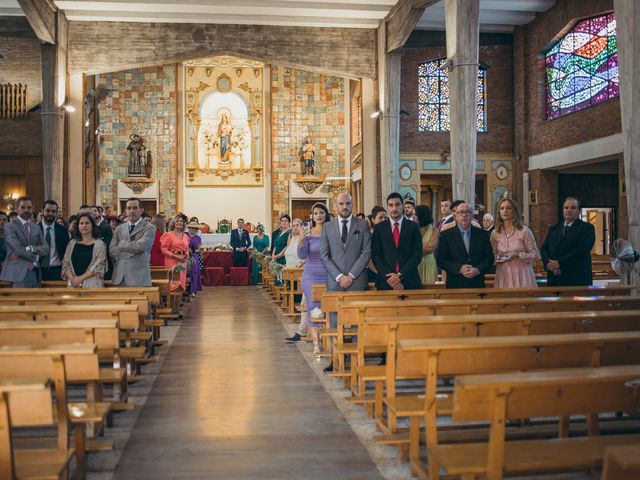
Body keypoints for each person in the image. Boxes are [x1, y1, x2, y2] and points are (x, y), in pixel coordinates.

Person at [319, 193, 371, 369]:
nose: (344, 207)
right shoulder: (327, 227)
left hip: (356, 282)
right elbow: (324, 256)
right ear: (336, 205)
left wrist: (351, 276)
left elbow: (366, 252)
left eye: (348, 203)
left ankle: (357, 360)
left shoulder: (362, 225)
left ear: (352, 204)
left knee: (357, 322)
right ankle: (336, 360)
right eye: (341, 204)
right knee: (334, 322)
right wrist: (340, 277)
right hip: (335, 283)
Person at [436, 201, 493, 289]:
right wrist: (459, 268)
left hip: (477, 283)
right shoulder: (446, 235)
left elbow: (489, 258)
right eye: (461, 212)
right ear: (455, 216)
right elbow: (441, 260)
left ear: (472, 215)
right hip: (455, 285)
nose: (464, 215)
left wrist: (478, 270)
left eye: (468, 212)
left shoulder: (482, 234)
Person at [371, 192, 423, 291]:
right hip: (385, 283)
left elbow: (417, 254)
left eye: (397, 204)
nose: (394, 208)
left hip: (409, 281)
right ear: (387, 207)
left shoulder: (413, 226)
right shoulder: (379, 228)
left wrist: (400, 275)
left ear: (403, 206)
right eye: (391, 205)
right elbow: (375, 255)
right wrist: (391, 279)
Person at [298, 203, 330, 357]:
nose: (319, 215)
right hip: (311, 274)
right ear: (312, 216)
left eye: (321, 212)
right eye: (316, 213)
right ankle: (316, 343)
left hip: (328, 274)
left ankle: (327, 339)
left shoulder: (332, 232)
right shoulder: (308, 233)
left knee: (327, 308)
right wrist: (301, 240)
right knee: (313, 308)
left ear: (326, 214)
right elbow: (302, 255)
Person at [541, 197, 596, 286]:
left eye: (573, 208)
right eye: (566, 208)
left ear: (579, 211)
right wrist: (549, 265)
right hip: (554, 278)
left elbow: (582, 251)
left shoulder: (586, 228)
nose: (569, 210)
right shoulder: (554, 229)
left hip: (576, 278)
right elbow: (544, 249)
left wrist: (559, 264)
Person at [0, 196, 50, 287]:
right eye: (23, 207)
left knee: (36, 301)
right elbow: (18, 249)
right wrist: (36, 257)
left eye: (29, 207)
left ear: (32, 209)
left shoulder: (36, 227)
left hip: (35, 273)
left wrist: (30, 248)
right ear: (17, 209)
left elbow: (46, 248)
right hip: (16, 274)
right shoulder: (9, 226)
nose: (26, 210)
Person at [490, 197, 539, 288]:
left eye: (508, 208)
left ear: (514, 211)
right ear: (499, 213)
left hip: (522, 272)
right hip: (503, 273)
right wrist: (498, 257)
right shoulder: (495, 233)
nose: (505, 211)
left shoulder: (524, 231)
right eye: (502, 208)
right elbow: (492, 256)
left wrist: (517, 255)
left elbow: (535, 255)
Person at [109, 197, 156, 287]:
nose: (131, 211)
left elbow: (141, 246)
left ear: (141, 210)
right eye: (129, 208)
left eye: (135, 208)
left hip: (139, 277)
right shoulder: (119, 228)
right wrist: (132, 251)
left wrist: (122, 244)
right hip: (120, 277)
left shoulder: (149, 227)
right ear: (125, 211)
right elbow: (112, 250)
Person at [61, 212, 107, 288]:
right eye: (81, 223)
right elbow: (65, 263)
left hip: (92, 284)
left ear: (92, 225)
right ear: (78, 226)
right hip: (73, 284)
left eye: (87, 223)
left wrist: (80, 279)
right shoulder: (71, 243)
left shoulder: (100, 244)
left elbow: (99, 266)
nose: (84, 225)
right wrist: (72, 279)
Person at [284, 219, 308, 343]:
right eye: (293, 226)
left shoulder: (307, 236)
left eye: (297, 225)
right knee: (305, 302)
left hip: (311, 271)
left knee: (309, 303)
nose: (294, 228)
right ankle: (301, 331)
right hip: (307, 273)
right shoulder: (292, 237)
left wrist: (304, 261)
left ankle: (306, 331)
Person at [38, 200, 70, 282]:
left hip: (57, 270)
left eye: (53, 211)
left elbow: (67, 251)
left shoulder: (62, 230)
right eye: (47, 210)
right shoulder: (34, 229)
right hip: (38, 269)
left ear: (56, 213)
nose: (50, 214)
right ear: (42, 211)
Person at [161, 215, 190, 292]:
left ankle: (179, 302)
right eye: (177, 221)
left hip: (182, 262)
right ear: (173, 223)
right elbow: (163, 250)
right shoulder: (168, 235)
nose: (179, 222)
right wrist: (176, 257)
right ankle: (172, 303)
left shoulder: (186, 236)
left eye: (181, 221)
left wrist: (187, 255)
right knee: (173, 282)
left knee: (181, 283)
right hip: (171, 261)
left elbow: (187, 248)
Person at [415, 205, 438, 285]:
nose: (413, 217)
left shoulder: (434, 230)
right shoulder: (412, 228)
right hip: (414, 263)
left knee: (429, 289)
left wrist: (415, 253)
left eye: (415, 215)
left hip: (429, 264)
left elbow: (430, 248)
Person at [91, 205, 113, 280]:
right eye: (91, 211)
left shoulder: (106, 226)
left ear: (100, 213)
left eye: (95, 211)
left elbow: (109, 242)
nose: (93, 213)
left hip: (104, 257)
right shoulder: (88, 226)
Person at [187, 222, 203, 295]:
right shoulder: (184, 235)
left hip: (194, 256)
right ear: (189, 228)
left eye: (195, 228)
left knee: (194, 272)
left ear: (197, 229)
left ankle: (193, 290)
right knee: (187, 273)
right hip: (185, 256)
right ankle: (185, 290)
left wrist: (192, 250)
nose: (193, 229)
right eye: (192, 228)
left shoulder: (198, 238)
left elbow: (199, 250)